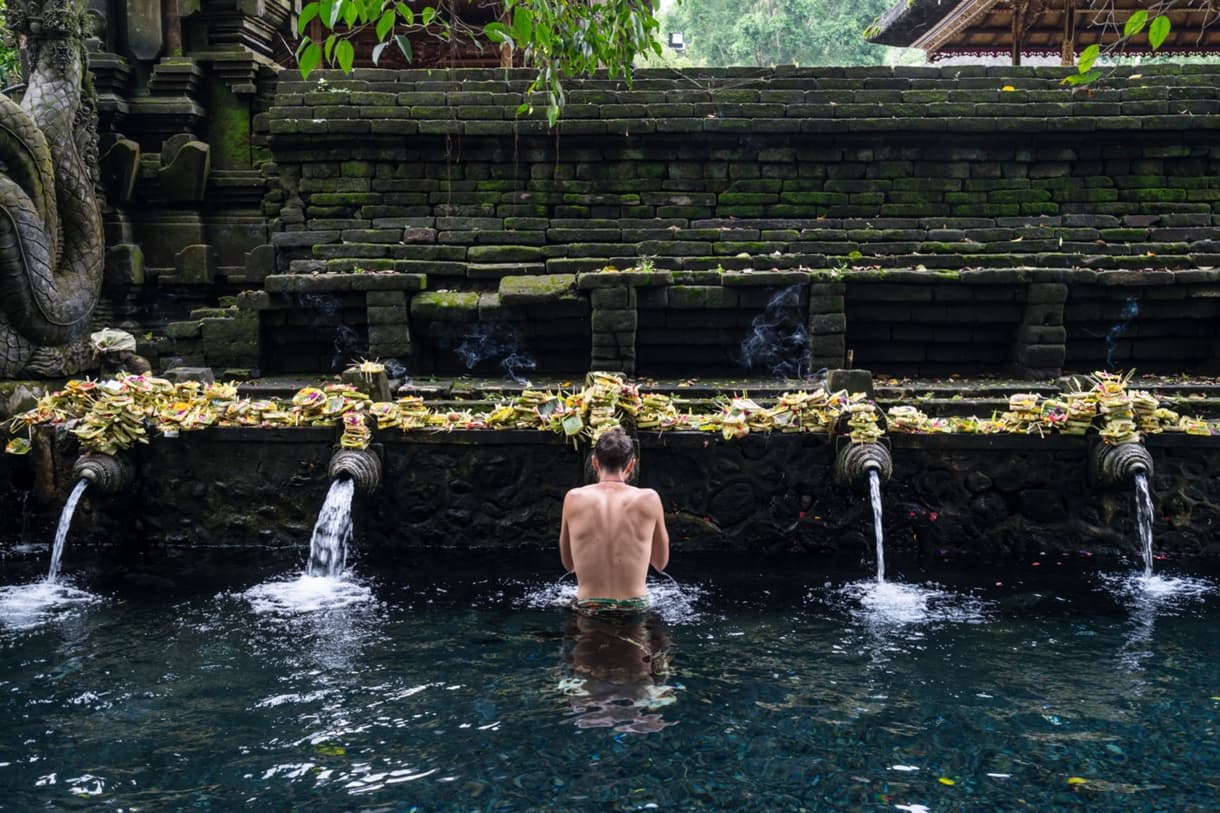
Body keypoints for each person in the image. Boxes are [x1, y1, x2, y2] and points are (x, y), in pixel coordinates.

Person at [559, 426, 669, 616]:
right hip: (635, 607)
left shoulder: (573, 498)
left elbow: (569, 564)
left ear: (594, 462)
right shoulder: (650, 498)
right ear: (631, 465)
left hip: (589, 606)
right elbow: (660, 563)